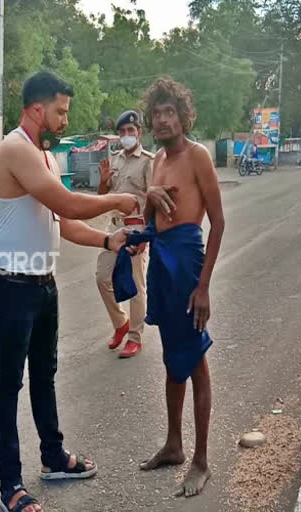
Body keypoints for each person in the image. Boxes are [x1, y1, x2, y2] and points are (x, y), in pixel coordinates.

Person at [0, 70, 139, 512]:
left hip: (43, 286)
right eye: (60, 111)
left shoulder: (47, 157)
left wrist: (107, 240)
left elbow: (64, 221)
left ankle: (53, 457)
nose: (64, 119)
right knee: (8, 384)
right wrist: (117, 201)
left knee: (44, 376)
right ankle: (10, 485)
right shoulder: (15, 149)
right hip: (13, 287)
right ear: (37, 108)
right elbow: (68, 203)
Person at [127, 77, 225, 498]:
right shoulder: (158, 162)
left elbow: (218, 222)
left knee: (195, 358)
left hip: (187, 264)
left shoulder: (198, 156)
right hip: (161, 264)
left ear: (183, 116)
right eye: (157, 113)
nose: (163, 119)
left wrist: (203, 286)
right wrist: (148, 196)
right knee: (171, 357)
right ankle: (173, 444)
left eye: (171, 112)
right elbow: (150, 222)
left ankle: (201, 459)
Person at [95, 110, 154, 358]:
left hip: (136, 228)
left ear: (139, 133)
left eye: (131, 131)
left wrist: (145, 236)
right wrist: (103, 181)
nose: (127, 136)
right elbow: (103, 198)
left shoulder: (148, 161)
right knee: (102, 277)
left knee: (137, 286)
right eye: (122, 132)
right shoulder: (115, 159)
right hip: (114, 227)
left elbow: (154, 200)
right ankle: (121, 323)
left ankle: (134, 337)